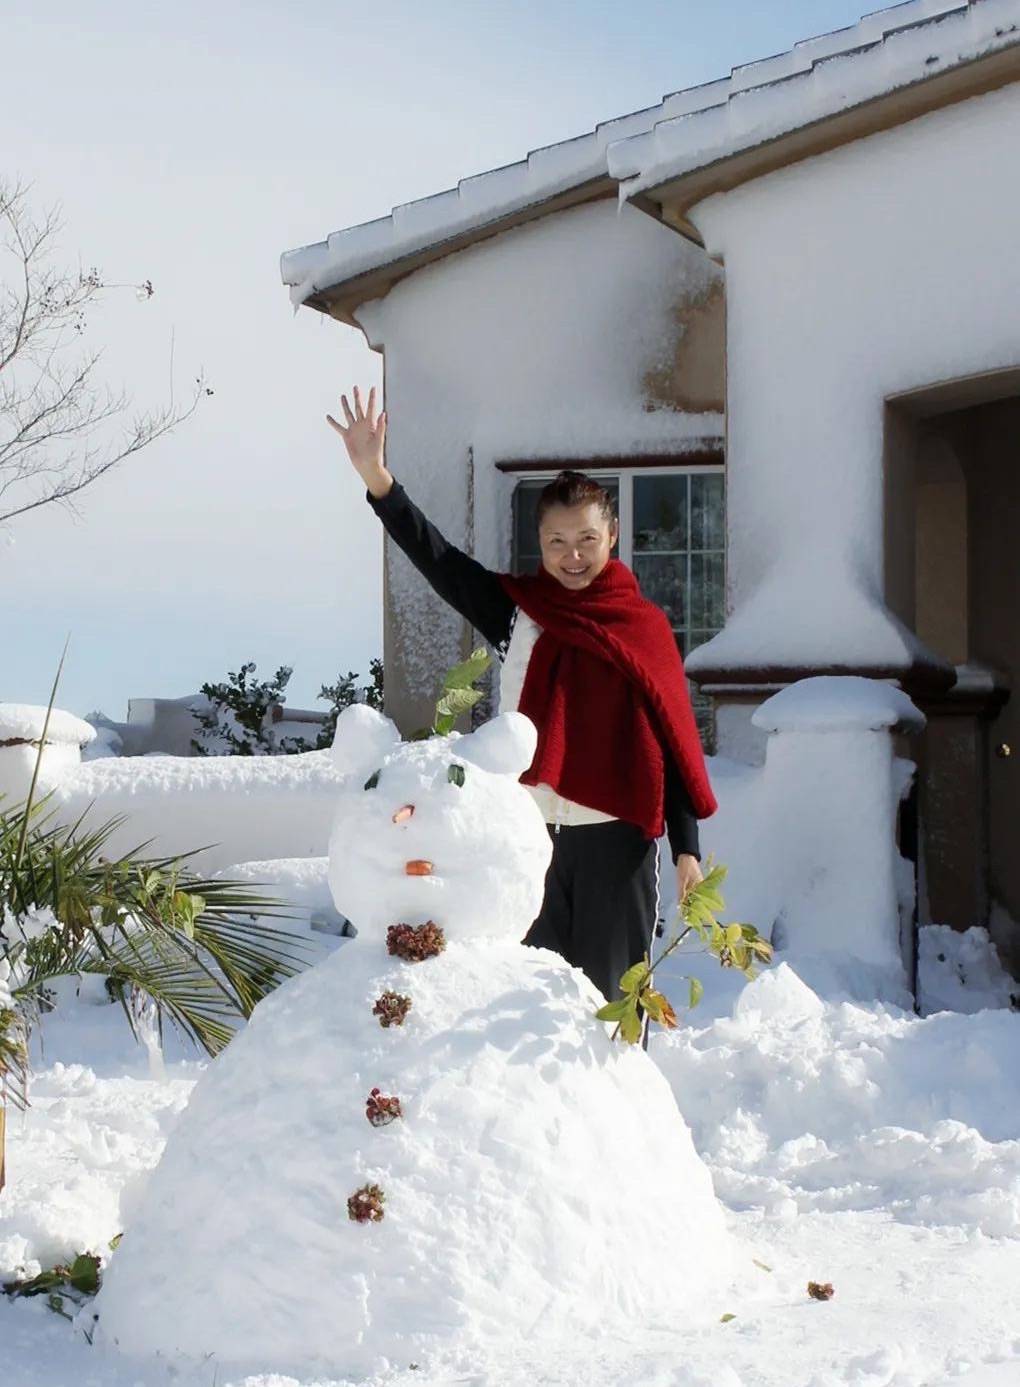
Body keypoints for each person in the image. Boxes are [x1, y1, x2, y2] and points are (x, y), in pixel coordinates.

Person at [328, 384, 719, 1008]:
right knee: (525, 1005)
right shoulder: (521, 613)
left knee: (609, 1008)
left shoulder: (641, 629)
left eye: (586, 539)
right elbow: (440, 561)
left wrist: (687, 850)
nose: (572, 556)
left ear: (612, 535)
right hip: (523, 838)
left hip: (616, 843)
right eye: (558, 541)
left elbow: (671, 740)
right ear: (540, 542)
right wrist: (378, 479)